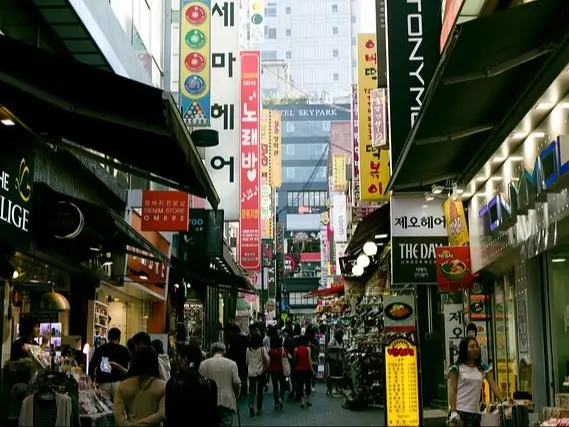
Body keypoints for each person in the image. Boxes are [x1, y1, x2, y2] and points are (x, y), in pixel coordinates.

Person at [448, 337, 503, 427]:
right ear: (464, 349)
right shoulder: (456, 368)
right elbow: (452, 390)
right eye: (472, 347)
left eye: (477, 346)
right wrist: (453, 412)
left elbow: (494, 386)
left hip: (475, 414)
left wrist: (503, 401)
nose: (475, 349)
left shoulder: (483, 368)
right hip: (459, 413)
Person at [165, 343, 218, 427]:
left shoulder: (173, 384)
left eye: (178, 356)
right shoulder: (209, 384)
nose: (176, 360)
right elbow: (213, 415)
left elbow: (169, 415)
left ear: (185, 359)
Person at [113, 346, 166, 426]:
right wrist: (140, 424)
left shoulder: (123, 386)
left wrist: (129, 425)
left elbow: (117, 413)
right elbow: (162, 414)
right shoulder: (163, 387)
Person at [200, 342, 241, 427]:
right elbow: (236, 382)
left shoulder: (203, 364)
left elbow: (201, 383)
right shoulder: (232, 364)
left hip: (209, 402)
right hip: (227, 400)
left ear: (212, 351)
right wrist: (236, 394)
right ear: (224, 351)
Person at [88, 327, 131, 400]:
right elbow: (129, 366)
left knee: (105, 408)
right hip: (119, 383)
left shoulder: (101, 349)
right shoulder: (124, 350)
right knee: (118, 407)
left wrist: (91, 378)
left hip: (103, 383)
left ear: (108, 337)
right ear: (119, 337)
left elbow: (92, 364)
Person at [245, 332, 270, 416]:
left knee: (252, 391)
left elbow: (247, 361)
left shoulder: (248, 350)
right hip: (261, 372)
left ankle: (251, 405)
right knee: (260, 391)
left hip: (251, 372)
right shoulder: (262, 349)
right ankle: (259, 408)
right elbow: (268, 359)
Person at [268, 335, 291, 409]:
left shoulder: (270, 351)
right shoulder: (283, 350)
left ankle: (276, 403)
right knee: (282, 386)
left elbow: (268, 360)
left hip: (273, 371)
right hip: (282, 370)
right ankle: (281, 399)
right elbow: (290, 357)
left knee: (275, 387)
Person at [226, 325, 248, 398]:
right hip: (243, 360)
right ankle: (243, 392)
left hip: (235, 360)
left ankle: (239, 391)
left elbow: (231, 351)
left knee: (236, 375)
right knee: (243, 376)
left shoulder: (232, 339)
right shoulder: (244, 338)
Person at [294, 334, 314, 408]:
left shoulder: (296, 349)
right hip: (307, 369)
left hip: (298, 370)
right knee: (308, 386)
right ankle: (307, 400)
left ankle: (302, 402)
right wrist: (312, 369)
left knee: (300, 386)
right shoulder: (308, 349)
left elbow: (295, 360)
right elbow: (309, 360)